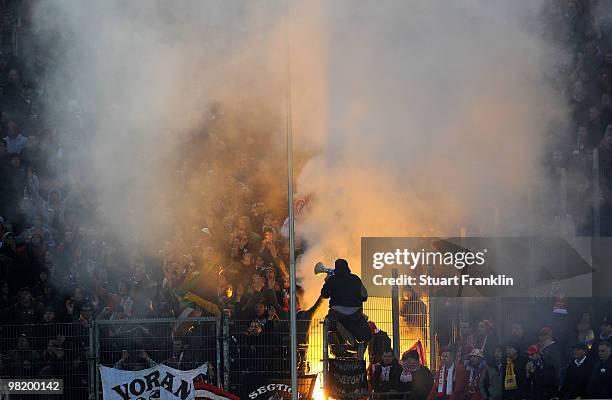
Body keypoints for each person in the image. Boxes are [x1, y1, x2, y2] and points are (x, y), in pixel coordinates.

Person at [321, 258, 371, 344]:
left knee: (327, 323)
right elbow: (364, 296)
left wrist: (327, 282)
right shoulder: (356, 279)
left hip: (336, 313)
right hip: (355, 314)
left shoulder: (332, 279)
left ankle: (326, 351)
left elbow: (324, 295)